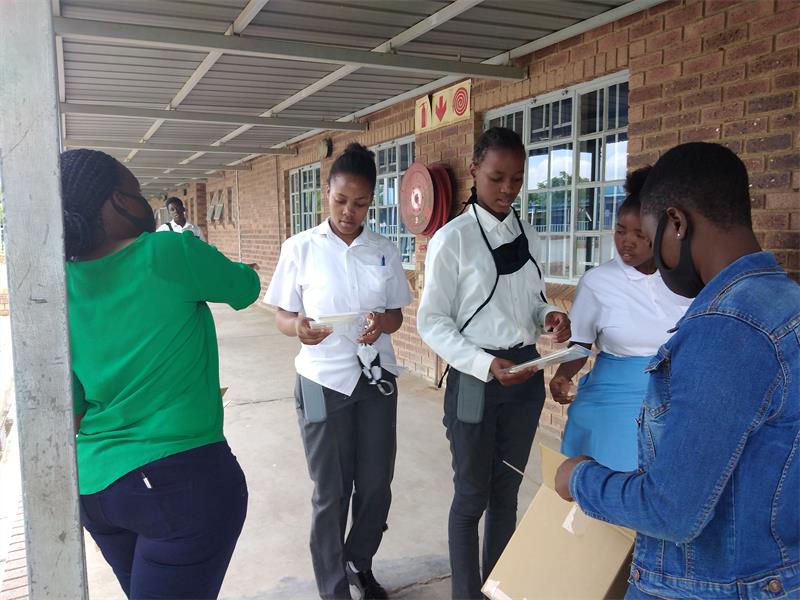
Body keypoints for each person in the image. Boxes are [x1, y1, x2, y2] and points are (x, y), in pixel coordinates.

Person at [556, 142, 799, 598]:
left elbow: (670, 510)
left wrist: (579, 477)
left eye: (651, 236)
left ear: (677, 224)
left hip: (707, 584)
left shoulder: (725, 328)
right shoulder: (788, 302)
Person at [63, 149, 261, 599]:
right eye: (134, 193)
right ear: (114, 202)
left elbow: (72, 408)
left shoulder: (62, 284)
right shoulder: (168, 252)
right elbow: (245, 288)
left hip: (98, 489)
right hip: (182, 484)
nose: (146, 204)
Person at [417, 127, 571, 599]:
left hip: (523, 375)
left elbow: (529, 301)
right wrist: (485, 365)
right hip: (474, 377)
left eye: (517, 178)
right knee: (471, 496)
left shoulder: (528, 234)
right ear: (474, 171)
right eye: (496, 177)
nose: (508, 189)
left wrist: (548, 315)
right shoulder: (453, 239)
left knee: (506, 491)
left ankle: (495, 589)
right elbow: (431, 322)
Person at [264, 143, 412, 600]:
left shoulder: (383, 250)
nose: (349, 212)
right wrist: (298, 327)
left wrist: (381, 322)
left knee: (376, 485)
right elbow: (282, 315)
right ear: (326, 193)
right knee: (331, 490)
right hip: (320, 381)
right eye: (341, 200)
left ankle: (357, 562)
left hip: (375, 378)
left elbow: (396, 315)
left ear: (372, 201)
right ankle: (333, 589)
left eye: (360, 203)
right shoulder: (300, 248)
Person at [550, 167, 690, 472]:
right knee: (601, 472)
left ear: (662, 232)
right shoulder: (598, 282)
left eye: (639, 235)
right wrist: (563, 375)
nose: (626, 242)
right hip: (612, 394)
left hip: (676, 393)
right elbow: (581, 344)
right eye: (620, 230)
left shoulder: (688, 281)